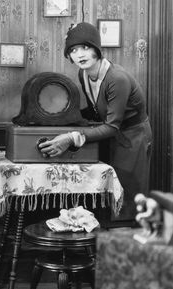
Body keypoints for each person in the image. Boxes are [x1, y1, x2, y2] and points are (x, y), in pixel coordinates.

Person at [39, 22, 152, 220]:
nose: (79, 54)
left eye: (85, 47)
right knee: (108, 195)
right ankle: (108, 242)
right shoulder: (83, 74)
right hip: (111, 133)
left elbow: (111, 125)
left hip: (133, 137)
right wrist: (60, 120)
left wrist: (71, 137)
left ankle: (131, 244)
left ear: (97, 49)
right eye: (73, 50)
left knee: (128, 195)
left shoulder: (117, 79)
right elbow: (94, 111)